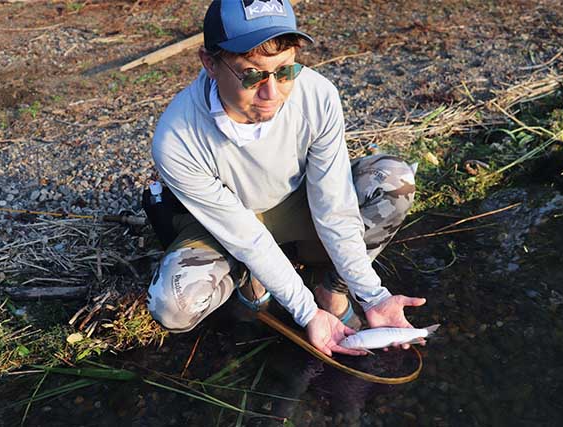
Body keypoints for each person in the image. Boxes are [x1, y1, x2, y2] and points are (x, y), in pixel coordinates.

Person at [145, 0, 426, 357]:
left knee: (393, 179)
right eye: (251, 75)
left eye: (285, 71)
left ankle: (331, 289)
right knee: (172, 305)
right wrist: (306, 312)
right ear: (209, 63)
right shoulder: (176, 139)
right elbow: (245, 236)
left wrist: (374, 295)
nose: (272, 93)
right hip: (227, 226)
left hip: (297, 203)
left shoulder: (317, 95)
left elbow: (334, 209)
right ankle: (250, 279)